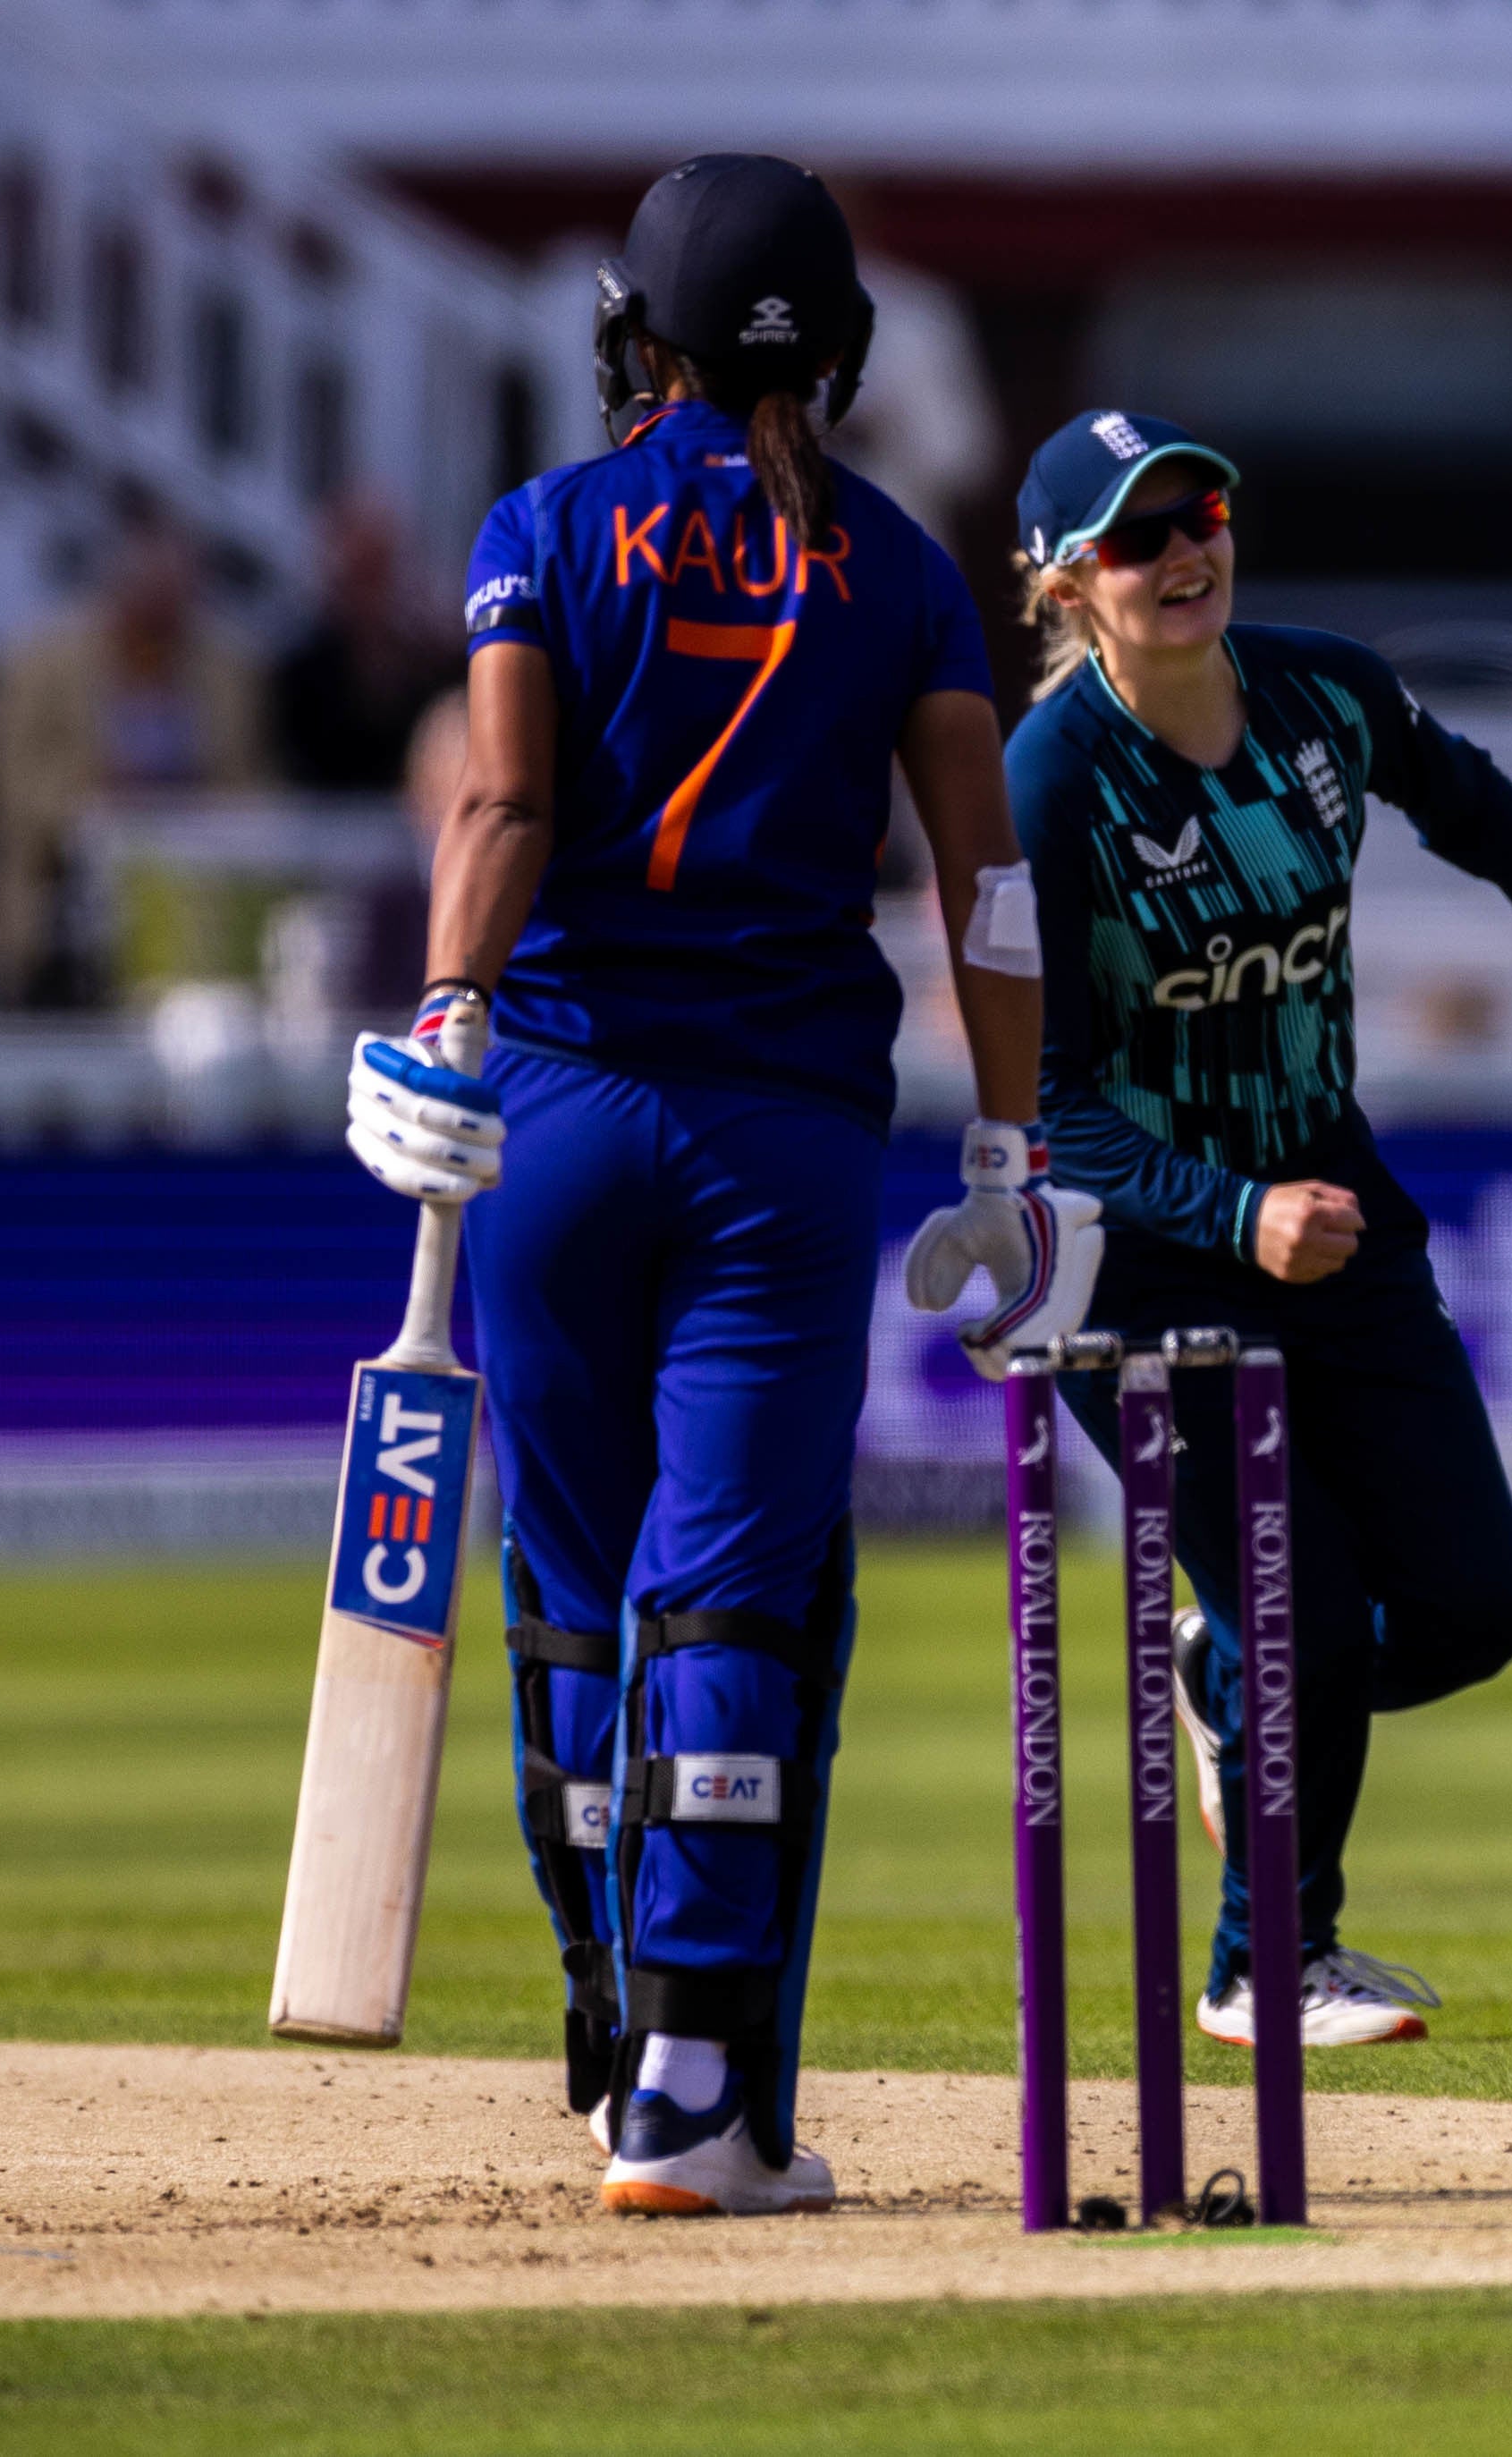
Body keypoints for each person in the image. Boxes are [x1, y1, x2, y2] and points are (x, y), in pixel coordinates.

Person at [369, 155, 1095, 2216]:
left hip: (553, 1123)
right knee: (729, 1602)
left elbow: (503, 794)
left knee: (575, 1601)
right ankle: (691, 2074)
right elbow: (989, 888)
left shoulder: (542, 529)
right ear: (835, 353)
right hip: (776, 1145)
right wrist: (1009, 1149)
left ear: (638, 339)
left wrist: (441, 1011)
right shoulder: (893, 567)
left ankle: (604, 2018)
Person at [1006, 406, 1512, 2046]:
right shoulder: (1049, 782)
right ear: (1064, 582)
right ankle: (1265, 1963)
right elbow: (1053, 1106)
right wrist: (1235, 1214)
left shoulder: (1320, 689)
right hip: (1139, 1258)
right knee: (1299, 1594)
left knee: (1473, 1606)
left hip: (1334, 1204)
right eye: (1133, 535)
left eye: (1199, 514)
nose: (1180, 552)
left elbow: (1471, 802)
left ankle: (1239, 1680)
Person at [0, 507, 272, 1006]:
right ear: (118, 589)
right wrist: (96, 798)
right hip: (56, 919)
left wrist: (195, 804)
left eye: (176, 603)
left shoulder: (229, 672)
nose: (162, 623)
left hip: (195, 916)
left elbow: (257, 784)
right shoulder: (39, 665)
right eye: (148, 604)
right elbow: (8, 782)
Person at [273, 493, 461, 793]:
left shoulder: (431, 670)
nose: (372, 592)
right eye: (359, 573)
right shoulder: (298, 674)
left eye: (380, 569)